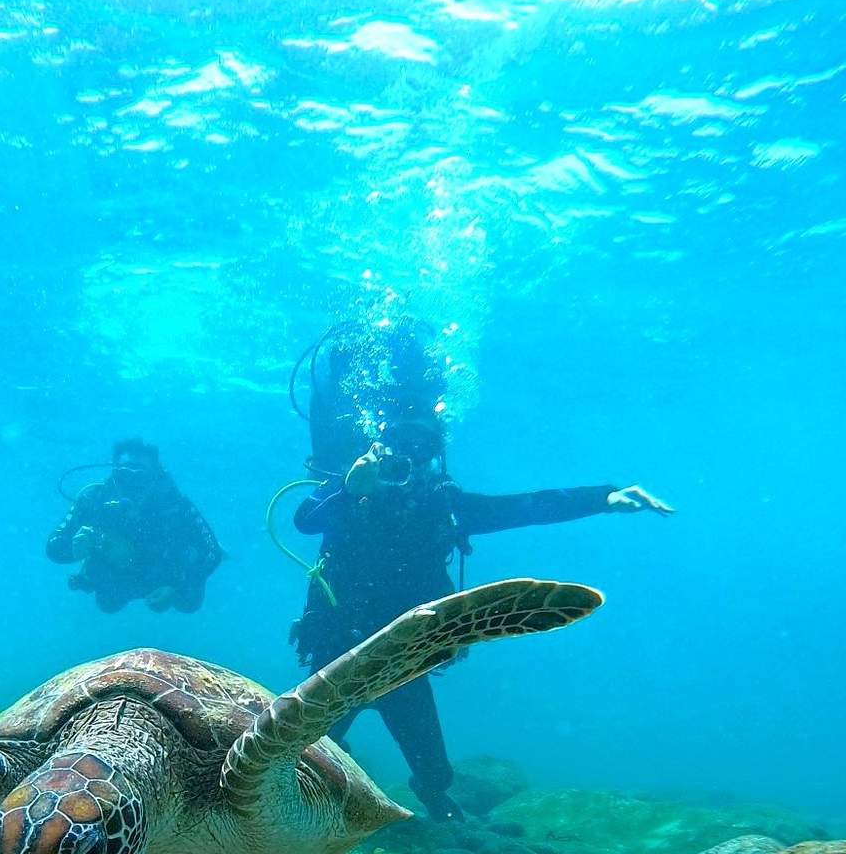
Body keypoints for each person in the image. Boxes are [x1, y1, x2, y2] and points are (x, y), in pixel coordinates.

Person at [288, 322, 673, 821]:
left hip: (404, 657)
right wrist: (352, 486)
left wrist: (603, 497)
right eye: (399, 447)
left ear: (436, 455)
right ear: (379, 446)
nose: (410, 459)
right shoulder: (354, 494)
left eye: (423, 449)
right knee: (294, 755)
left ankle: (433, 794)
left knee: (433, 766)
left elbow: (527, 507)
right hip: (337, 651)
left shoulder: (443, 507)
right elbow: (303, 520)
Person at [46, 438, 223, 614]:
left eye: (140, 476)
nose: (131, 484)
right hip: (118, 579)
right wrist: (73, 549)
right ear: (114, 472)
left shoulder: (175, 505)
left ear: (155, 475)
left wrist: (177, 587)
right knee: (107, 604)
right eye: (124, 474)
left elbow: (212, 552)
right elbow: (53, 546)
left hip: (163, 575)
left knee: (190, 603)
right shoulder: (93, 499)